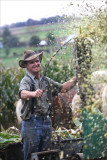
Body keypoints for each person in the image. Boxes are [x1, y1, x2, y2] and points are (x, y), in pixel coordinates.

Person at [19, 50, 77, 160]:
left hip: (46, 122)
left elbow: (63, 88)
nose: (35, 64)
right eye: (31, 62)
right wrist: (33, 93)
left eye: (37, 61)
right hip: (31, 123)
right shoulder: (26, 81)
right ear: (26, 65)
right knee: (32, 156)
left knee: (45, 155)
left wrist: (76, 78)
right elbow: (23, 93)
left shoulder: (46, 80)